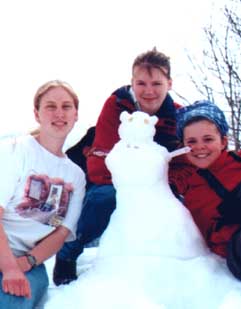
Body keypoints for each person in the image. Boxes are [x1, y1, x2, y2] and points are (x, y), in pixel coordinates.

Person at [53, 48, 183, 285]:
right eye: (141, 83)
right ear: (132, 83)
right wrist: (132, 184)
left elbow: (181, 164)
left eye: (157, 83)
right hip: (109, 179)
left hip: (156, 183)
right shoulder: (117, 105)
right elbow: (100, 161)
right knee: (104, 198)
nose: (149, 91)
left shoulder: (177, 116)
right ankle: (68, 252)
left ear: (169, 83)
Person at [170, 100, 241, 294]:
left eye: (208, 139)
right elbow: (213, 238)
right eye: (191, 142)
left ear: (223, 141)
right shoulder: (193, 192)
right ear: (182, 147)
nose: (200, 147)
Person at [0, 80, 86, 308]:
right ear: (37, 114)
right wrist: (8, 267)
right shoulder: (15, 150)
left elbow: (61, 234)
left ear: (76, 114)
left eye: (66, 106)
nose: (59, 113)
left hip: (29, 264)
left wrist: (24, 264)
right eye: (50, 106)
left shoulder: (76, 176)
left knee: (12, 300)